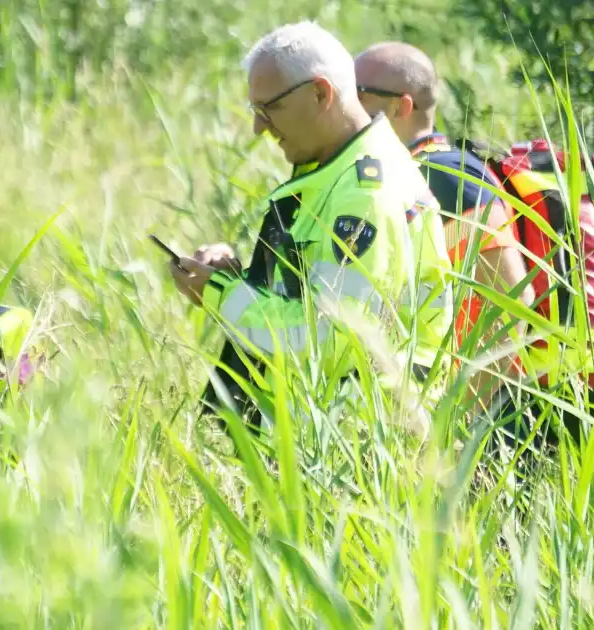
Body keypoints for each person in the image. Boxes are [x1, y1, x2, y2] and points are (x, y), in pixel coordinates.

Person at [170, 22, 454, 434]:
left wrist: (220, 294)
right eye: (255, 111)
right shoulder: (334, 170)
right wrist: (238, 279)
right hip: (327, 434)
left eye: (270, 109)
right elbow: (305, 295)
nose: (258, 128)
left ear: (321, 93)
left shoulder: (363, 195)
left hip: (359, 447)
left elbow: (328, 338)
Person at [353, 42, 537, 421]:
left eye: (358, 94)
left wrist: (452, 429)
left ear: (401, 107)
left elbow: (512, 300)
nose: (345, 105)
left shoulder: (443, 177)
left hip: (498, 418)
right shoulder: (413, 173)